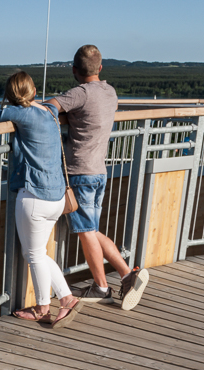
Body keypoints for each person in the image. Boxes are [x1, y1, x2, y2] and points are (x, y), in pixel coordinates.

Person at [45, 45, 149, 311]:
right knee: (90, 229)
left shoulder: (78, 93)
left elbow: (47, 109)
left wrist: (66, 116)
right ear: (100, 68)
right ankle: (127, 275)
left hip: (79, 172)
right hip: (100, 172)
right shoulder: (109, 91)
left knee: (86, 231)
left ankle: (103, 287)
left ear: (74, 70)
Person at [0, 71, 82, 328]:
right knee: (39, 252)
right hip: (57, 196)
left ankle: (43, 307)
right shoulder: (49, 111)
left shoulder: (19, 113)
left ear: (11, 97)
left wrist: (7, 106)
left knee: (33, 254)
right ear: (34, 92)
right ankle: (67, 298)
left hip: (35, 195)